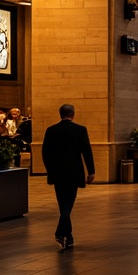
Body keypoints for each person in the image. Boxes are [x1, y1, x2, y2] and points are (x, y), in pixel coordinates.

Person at [41, 104, 95, 250]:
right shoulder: (80, 130)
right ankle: (61, 233)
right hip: (74, 173)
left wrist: (50, 170)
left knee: (62, 203)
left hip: (58, 173)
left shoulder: (51, 130)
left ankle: (68, 236)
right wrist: (91, 171)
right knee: (68, 204)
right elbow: (87, 152)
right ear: (73, 114)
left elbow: (45, 153)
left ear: (60, 114)